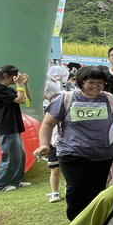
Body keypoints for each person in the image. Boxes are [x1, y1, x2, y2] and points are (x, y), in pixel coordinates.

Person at [35, 66, 113, 221]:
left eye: (100, 83)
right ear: (81, 82)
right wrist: (45, 144)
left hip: (103, 154)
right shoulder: (66, 98)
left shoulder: (111, 100)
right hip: (72, 152)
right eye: (91, 82)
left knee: (98, 189)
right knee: (76, 188)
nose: (96, 86)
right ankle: (76, 222)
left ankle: (95, 221)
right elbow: (48, 124)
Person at [0, 65, 32, 192]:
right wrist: (19, 84)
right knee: (9, 156)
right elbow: (20, 99)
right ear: (5, 75)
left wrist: (24, 85)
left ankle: (15, 181)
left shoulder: (6, 89)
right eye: (15, 75)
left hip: (13, 126)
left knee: (19, 155)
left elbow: (27, 99)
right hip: (4, 127)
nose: (17, 78)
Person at [43, 64, 69, 202]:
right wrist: (44, 145)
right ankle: (54, 192)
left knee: (68, 170)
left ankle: (68, 188)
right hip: (54, 144)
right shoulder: (49, 117)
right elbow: (46, 128)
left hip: (68, 144)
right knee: (55, 169)